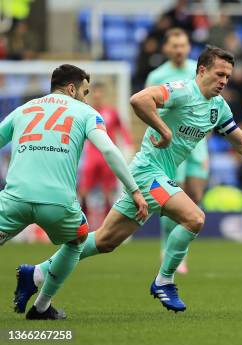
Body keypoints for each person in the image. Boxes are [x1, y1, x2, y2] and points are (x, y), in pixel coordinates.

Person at [16, 47, 242, 314]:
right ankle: (164, 281)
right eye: (219, 74)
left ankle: (36, 274)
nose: (224, 81)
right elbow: (139, 99)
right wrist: (163, 130)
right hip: (148, 172)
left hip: (156, 175)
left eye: (228, 76)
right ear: (202, 70)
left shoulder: (218, 107)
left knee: (105, 241)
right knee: (194, 218)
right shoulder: (182, 91)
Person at [3, 64, 147, 320]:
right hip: (58, 204)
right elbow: (110, 150)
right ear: (72, 89)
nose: (86, 96)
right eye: (85, 90)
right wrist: (133, 189)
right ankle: (42, 307)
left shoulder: (23, 110)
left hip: (14, 199)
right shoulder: (85, 112)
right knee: (77, 239)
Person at [146, 28, 205, 274]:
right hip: (171, 145)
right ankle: (170, 251)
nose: (179, 49)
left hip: (197, 144)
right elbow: (148, 108)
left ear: (189, 47)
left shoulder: (198, 70)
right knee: (173, 198)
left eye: (183, 45)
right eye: (175, 45)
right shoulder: (158, 75)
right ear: (167, 48)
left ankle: (179, 250)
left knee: (196, 196)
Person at [78, 82, 133, 222]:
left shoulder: (112, 112)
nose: (97, 95)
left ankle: (109, 224)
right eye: (94, 92)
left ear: (103, 94)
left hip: (107, 157)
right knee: (83, 191)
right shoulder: (87, 112)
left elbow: (123, 130)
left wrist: (128, 145)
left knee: (108, 192)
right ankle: (82, 222)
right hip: (91, 156)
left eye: (99, 92)